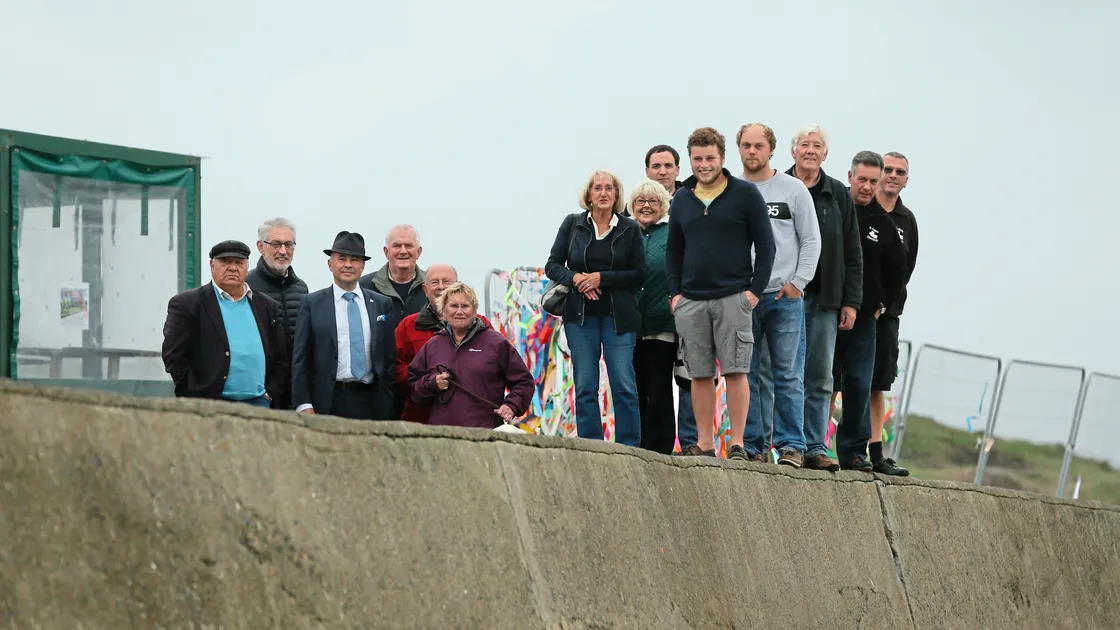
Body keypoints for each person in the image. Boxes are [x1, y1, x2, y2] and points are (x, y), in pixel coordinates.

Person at [666, 127, 776, 459]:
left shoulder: (744, 194)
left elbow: (766, 246)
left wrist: (754, 293)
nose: (704, 164)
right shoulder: (683, 199)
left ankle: (738, 443)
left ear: (722, 158)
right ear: (691, 160)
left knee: (735, 371)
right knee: (699, 374)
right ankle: (704, 444)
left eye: (710, 158)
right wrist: (675, 295)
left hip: (734, 297)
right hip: (692, 301)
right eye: (697, 159)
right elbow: (674, 251)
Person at [765, 124, 864, 472]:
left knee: (820, 376)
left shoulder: (837, 194)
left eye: (817, 145)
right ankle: (769, 443)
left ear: (825, 154)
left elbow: (853, 250)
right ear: (792, 152)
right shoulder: (776, 187)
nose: (810, 150)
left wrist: (851, 301)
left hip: (824, 298)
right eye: (804, 144)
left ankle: (814, 445)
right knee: (774, 372)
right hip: (779, 294)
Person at [736, 123, 821, 468]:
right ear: (738, 149)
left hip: (783, 297)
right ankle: (754, 446)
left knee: (788, 373)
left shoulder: (793, 189)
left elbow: (811, 239)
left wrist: (797, 283)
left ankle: (791, 445)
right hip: (743, 299)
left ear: (771, 150)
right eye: (746, 145)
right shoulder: (732, 191)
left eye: (759, 145)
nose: (752, 151)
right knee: (748, 373)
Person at [545, 169, 645, 447]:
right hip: (580, 316)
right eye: (597, 188)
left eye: (609, 188)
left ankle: (629, 448)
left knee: (624, 385)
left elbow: (639, 273)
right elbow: (552, 265)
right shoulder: (573, 224)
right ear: (588, 195)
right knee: (586, 385)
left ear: (617, 195)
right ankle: (592, 447)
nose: (603, 193)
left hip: (618, 318)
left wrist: (602, 278)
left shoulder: (630, 228)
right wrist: (577, 279)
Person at [831, 151, 907, 472]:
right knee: (824, 383)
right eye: (862, 179)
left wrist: (880, 307)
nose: (867, 186)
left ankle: (853, 453)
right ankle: (814, 447)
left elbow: (897, 274)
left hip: (864, 321)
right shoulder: (833, 210)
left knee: (860, 385)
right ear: (850, 177)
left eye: (873, 181)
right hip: (829, 314)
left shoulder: (886, 225)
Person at [161, 240, 288, 407]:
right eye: (225, 262)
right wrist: (193, 394)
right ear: (212, 265)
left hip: (259, 402)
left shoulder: (266, 305)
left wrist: (271, 392)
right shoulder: (188, 304)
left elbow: (280, 356)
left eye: (239, 263)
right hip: (209, 405)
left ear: (246, 266)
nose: (233, 268)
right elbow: (173, 355)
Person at [292, 231, 397, 420]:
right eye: (342, 259)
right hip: (327, 400)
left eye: (355, 259)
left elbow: (389, 360)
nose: (348, 265)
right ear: (330, 264)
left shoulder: (382, 304)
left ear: (363, 266)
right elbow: (301, 358)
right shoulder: (312, 303)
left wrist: (387, 400)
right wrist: (303, 404)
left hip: (371, 401)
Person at [408, 283, 535, 428]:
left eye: (465, 306)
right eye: (454, 306)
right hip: (442, 435)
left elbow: (524, 382)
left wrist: (511, 406)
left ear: (474, 310)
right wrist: (432, 383)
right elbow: (413, 387)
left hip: (484, 433)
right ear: (443, 311)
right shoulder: (433, 345)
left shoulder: (495, 343)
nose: (460, 311)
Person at [642, 144, 698, 453]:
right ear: (647, 171)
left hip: (691, 304)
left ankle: (692, 442)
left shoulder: (692, 202)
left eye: (668, 165)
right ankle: (653, 443)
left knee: (692, 375)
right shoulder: (638, 207)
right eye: (656, 166)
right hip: (656, 312)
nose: (662, 171)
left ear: (678, 170)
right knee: (657, 381)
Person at [868, 151, 919, 476]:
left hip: (886, 316)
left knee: (878, 384)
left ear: (906, 180)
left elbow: (905, 269)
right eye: (888, 169)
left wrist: (884, 305)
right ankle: (823, 446)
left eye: (900, 171)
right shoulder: (860, 207)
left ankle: (875, 453)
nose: (892, 175)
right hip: (851, 313)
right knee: (833, 382)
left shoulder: (906, 220)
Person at [395, 263, 491, 423]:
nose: (441, 287)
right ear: (425, 290)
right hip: (422, 417)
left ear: (458, 286)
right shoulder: (408, 326)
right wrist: (429, 379)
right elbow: (396, 368)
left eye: (447, 282)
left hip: (472, 418)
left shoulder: (481, 324)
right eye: (435, 282)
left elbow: (499, 365)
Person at [630, 178, 677, 454]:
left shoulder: (672, 232)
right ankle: (635, 442)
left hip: (663, 323)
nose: (646, 206)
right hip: (630, 325)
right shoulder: (624, 232)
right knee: (633, 387)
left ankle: (660, 448)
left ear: (663, 206)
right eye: (640, 201)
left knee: (659, 388)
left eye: (653, 201)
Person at [246, 217, 309, 409]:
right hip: (259, 392)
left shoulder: (301, 289)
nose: (283, 251)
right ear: (260, 246)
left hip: (294, 392)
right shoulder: (246, 287)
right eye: (276, 244)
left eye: (288, 244)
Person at [359, 224, 428, 322]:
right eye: (397, 246)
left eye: (408, 246)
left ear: (419, 252)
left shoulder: (432, 287)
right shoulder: (364, 287)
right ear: (386, 252)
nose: (403, 251)